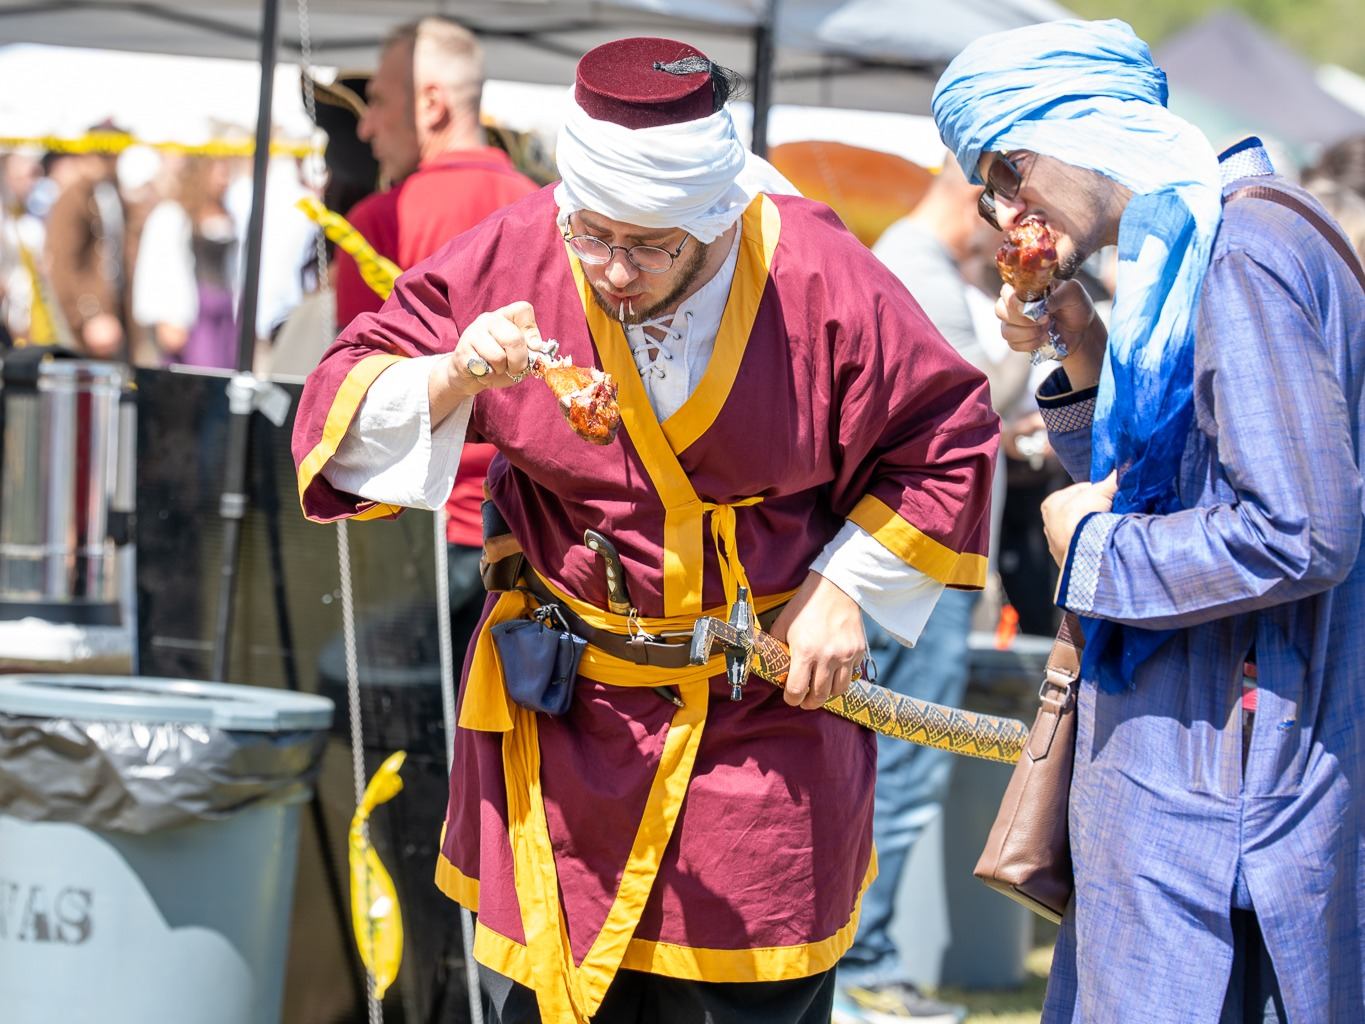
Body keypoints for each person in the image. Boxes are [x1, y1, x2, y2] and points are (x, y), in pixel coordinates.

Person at [293, 36, 997, 1024]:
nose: (615, 271)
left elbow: (947, 431)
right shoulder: (528, 246)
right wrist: (455, 372)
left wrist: (848, 590)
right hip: (568, 724)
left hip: (761, 723)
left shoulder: (811, 269)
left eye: (652, 245)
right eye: (595, 236)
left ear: (715, 214)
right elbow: (338, 397)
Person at [933, 18, 1365, 1024]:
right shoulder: (1209, 234)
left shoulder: (1246, 251)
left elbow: (1299, 531)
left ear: (1076, 128)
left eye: (1006, 170)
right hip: (1199, 774)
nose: (1002, 209)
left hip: (1223, 806)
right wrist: (1078, 339)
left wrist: (1090, 546)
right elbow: (1173, 485)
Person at [832, 157, 1017, 1024]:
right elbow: (971, 412)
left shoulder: (919, 265)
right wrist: (1034, 328)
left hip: (921, 568)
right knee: (904, 769)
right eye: (1011, 204)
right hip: (915, 569)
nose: (1019, 226)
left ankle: (863, 962)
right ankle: (866, 965)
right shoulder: (916, 265)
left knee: (903, 766)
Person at [336, 16, 538, 635]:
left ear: (431, 104)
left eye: (376, 102)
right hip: (535, 534)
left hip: (426, 530)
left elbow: (356, 401)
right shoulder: (548, 211)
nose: (364, 126)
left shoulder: (378, 219)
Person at [132, 156, 240, 369]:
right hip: (195, 318)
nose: (224, 180)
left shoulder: (227, 212)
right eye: (219, 172)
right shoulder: (173, 215)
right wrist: (166, 318)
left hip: (225, 315)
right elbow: (157, 267)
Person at [45, 133, 130, 359]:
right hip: (90, 322)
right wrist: (89, 314)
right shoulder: (73, 197)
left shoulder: (108, 191)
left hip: (114, 314)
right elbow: (63, 262)